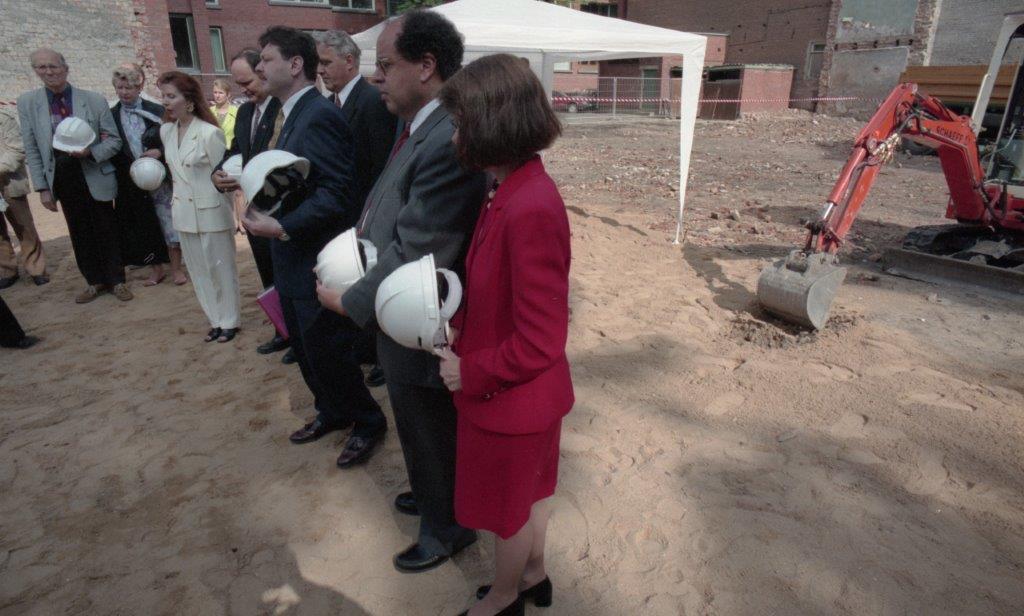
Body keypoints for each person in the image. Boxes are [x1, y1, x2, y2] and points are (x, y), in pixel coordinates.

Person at [318, 10, 489, 573]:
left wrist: (351, 301)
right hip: (402, 307)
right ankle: (435, 493)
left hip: (419, 312)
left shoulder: (447, 137)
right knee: (419, 423)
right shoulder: (422, 124)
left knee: (427, 423)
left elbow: (420, 245)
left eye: (386, 65)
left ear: (426, 66)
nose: (377, 77)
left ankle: (447, 529)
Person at [437, 53, 573, 616]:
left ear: (493, 124)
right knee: (530, 495)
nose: (454, 136)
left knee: (508, 511)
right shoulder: (509, 188)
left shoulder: (530, 205)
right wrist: (459, 321)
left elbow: (542, 339)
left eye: (460, 123)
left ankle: (504, 595)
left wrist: (468, 370)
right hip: (521, 395)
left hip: (513, 397)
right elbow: (495, 284)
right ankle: (534, 574)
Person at [246, 26, 386, 467]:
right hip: (291, 255)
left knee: (328, 352)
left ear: (294, 65)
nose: (258, 67)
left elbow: (337, 193)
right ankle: (332, 411)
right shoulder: (289, 112)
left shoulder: (318, 114)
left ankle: (367, 421)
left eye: (266, 59)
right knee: (307, 350)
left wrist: (282, 226)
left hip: (313, 257)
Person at [313, 29, 399, 388]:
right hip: (343, 219)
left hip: (365, 218)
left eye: (326, 62)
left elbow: (380, 166)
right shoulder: (333, 103)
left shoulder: (371, 101)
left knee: (372, 281)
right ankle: (366, 349)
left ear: (350, 61)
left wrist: (368, 218)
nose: (320, 70)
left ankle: (381, 356)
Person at [17, 48, 130, 303]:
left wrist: (92, 152)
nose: (49, 72)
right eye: (42, 67)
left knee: (106, 227)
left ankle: (117, 280)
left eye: (53, 66)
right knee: (79, 230)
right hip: (62, 175)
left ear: (65, 68)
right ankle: (94, 281)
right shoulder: (28, 103)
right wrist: (43, 188)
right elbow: (32, 148)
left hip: (93, 169)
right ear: (35, 71)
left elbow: (114, 140)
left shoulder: (93, 100)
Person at [212, 48, 291, 360]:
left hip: (283, 211)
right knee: (268, 274)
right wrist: (218, 172)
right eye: (238, 83)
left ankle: (297, 336)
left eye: (247, 82)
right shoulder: (245, 113)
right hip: (255, 209)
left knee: (289, 276)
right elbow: (236, 151)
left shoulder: (284, 110)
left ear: (263, 73)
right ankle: (282, 331)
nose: (243, 89)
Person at [157, 71, 241, 343]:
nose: (166, 102)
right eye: (164, 96)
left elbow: (223, 179)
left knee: (221, 269)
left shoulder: (209, 133)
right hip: (183, 212)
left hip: (212, 211)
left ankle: (230, 320)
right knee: (199, 272)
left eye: (172, 96)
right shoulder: (166, 131)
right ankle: (215, 320)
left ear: (189, 100)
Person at [110, 62, 183, 286]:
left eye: (129, 88)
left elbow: (175, 139)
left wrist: (160, 151)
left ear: (139, 86)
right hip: (132, 182)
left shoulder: (157, 111)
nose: (124, 92)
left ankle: (177, 269)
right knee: (144, 226)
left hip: (161, 180)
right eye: (120, 88)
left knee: (169, 223)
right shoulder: (112, 115)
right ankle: (156, 269)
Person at [0, 105, 48, 288]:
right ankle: (7, 270)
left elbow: (17, 150)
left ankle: (36, 268)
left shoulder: (5, 118)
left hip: (9, 181)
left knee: (24, 226)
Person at [209, 79, 238, 149]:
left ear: (228, 95)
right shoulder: (209, 112)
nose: (217, 96)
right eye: (215, 92)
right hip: (212, 150)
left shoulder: (236, 112)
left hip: (230, 151)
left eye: (221, 93)